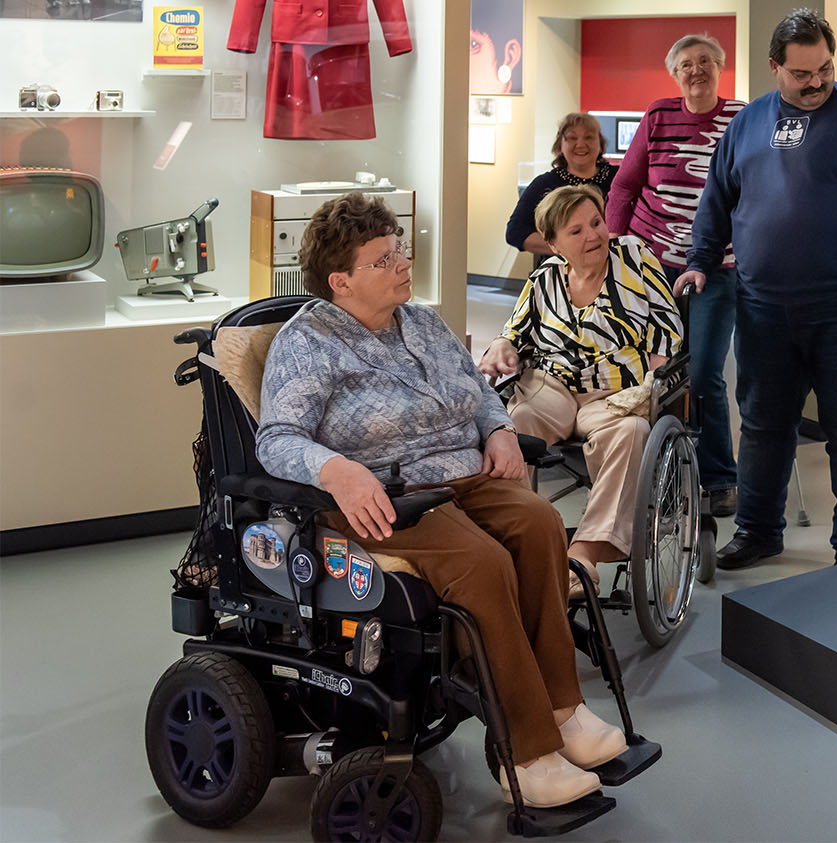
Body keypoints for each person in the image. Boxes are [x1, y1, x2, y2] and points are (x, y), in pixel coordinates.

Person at [257, 192, 625, 809]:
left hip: (462, 475)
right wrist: (336, 469)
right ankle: (526, 752)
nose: (402, 263)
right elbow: (277, 438)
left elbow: (476, 389)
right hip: (386, 494)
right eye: (383, 259)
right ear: (340, 281)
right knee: (482, 564)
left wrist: (499, 428)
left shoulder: (421, 319)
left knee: (539, 523)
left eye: (398, 250)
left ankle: (564, 710)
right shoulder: (309, 342)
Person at [678, 8, 837, 569]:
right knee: (764, 424)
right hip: (764, 307)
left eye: (825, 70)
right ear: (774, 68)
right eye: (802, 74)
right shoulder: (748, 124)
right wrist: (700, 259)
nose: (816, 83)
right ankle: (759, 531)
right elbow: (717, 198)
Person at [480, 185, 683, 573]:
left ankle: (586, 552)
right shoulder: (546, 278)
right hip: (551, 386)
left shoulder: (634, 258)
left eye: (596, 222)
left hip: (615, 392)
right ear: (554, 244)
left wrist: (652, 385)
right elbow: (513, 332)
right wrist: (501, 346)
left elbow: (666, 328)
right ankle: (521, 536)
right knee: (514, 424)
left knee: (633, 432)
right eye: (576, 231)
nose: (593, 235)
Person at [605, 33, 746, 519]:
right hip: (651, 263)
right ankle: (661, 473)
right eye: (686, 64)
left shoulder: (741, 118)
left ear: (720, 67)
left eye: (705, 61)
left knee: (705, 373)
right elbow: (624, 186)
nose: (696, 70)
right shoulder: (659, 115)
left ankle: (718, 477)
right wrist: (615, 251)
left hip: (716, 267)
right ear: (675, 73)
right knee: (655, 371)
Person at [506, 113, 616, 256]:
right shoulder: (544, 184)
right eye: (572, 138)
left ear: (600, 144)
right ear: (560, 145)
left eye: (589, 137)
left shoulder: (620, 179)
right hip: (561, 273)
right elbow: (515, 232)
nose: (581, 144)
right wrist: (567, 248)